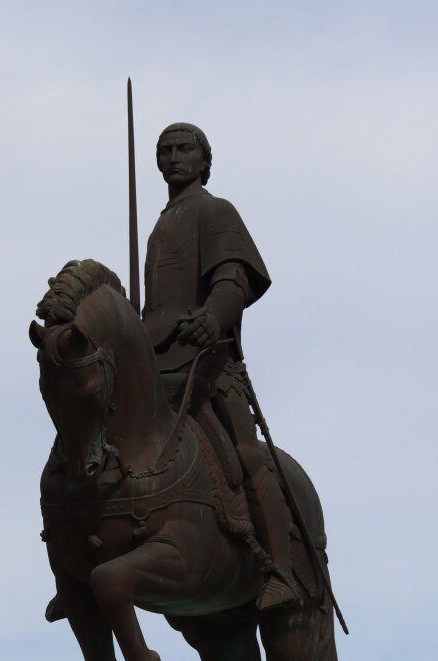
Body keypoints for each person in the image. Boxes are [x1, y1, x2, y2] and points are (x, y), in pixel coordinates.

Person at [143, 122, 299, 609]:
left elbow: (232, 281)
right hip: (155, 362)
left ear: (204, 160)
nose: (173, 157)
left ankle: (282, 571)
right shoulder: (158, 226)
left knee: (247, 456)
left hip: (207, 362)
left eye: (184, 149)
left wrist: (214, 317)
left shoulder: (215, 211)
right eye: (165, 150)